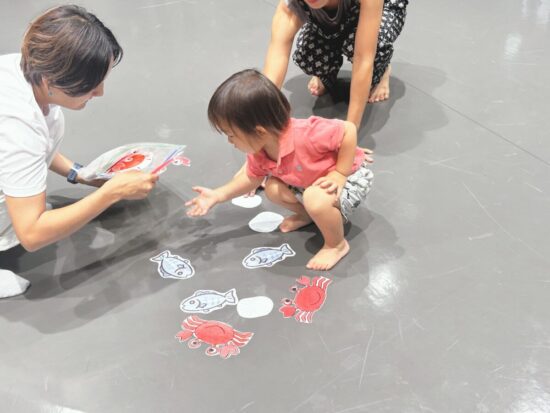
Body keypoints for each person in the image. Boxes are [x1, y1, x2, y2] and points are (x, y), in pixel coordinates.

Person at [0, 5, 158, 298]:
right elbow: (32, 233)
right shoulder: (18, 126)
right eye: (91, 85)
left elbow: (32, 151)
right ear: (52, 80)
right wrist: (111, 193)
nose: (100, 92)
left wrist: (81, 174)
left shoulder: (22, 67)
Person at [186, 69, 373, 271]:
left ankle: (336, 245)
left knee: (315, 199)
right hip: (310, 181)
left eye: (231, 135)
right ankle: (308, 215)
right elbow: (251, 178)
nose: (230, 142)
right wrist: (217, 195)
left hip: (348, 179)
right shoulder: (260, 150)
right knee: (273, 189)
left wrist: (339, 173)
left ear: (259, 131)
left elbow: (348, 130)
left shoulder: (307, 133)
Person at [264, 0, 408, 129]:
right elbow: (278, 53)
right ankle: (327, 74)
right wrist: (261, 114)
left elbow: (363, 58)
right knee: (308, 54)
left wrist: (351, 128)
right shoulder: (290, 4)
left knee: (371, 48)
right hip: (336, 15)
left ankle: (383, 69)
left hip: (381, 7)